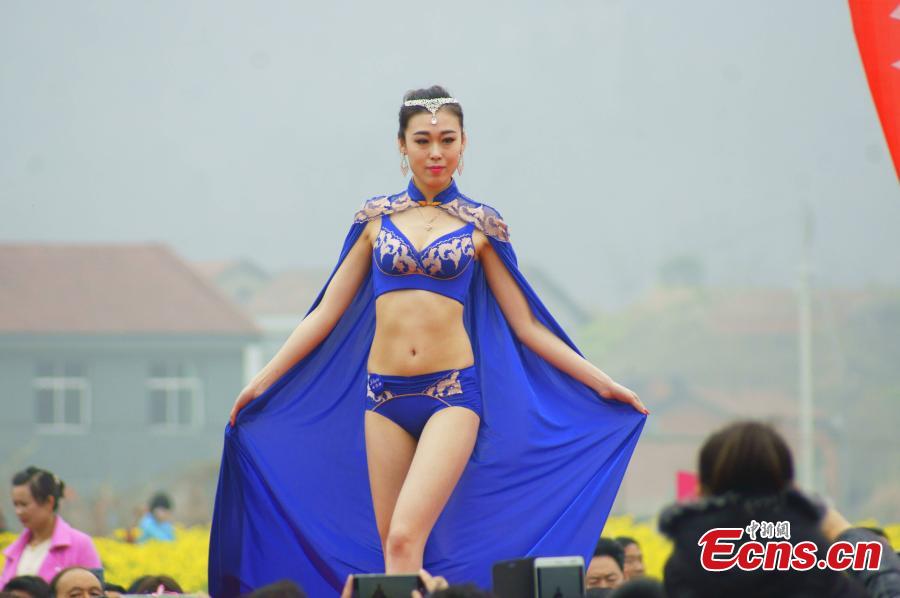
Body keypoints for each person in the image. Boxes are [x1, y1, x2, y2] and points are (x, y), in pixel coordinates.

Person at [210, 85, 647, 597]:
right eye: (422, 140)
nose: (435, 152)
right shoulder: (374, 219)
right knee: (394, 554)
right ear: (402, 145)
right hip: (382, 397)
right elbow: (324, 313)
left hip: (451, 395)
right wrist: (259, 384)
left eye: (447, 140)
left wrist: (603, 383)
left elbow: (527, 326)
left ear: (464, 144)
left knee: (402, 539)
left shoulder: (482, 224)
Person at [659, 420, 900, 598]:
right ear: (790, 486)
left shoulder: (684, 566)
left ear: (702, 490)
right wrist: (841, 531)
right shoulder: (812, 560)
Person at [0, 469, 101, 586]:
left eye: (24, 504)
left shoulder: (80, 545)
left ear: (49, 502)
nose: (19, 512)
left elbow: (95, 590)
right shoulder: (15, 550)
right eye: (16, 505)